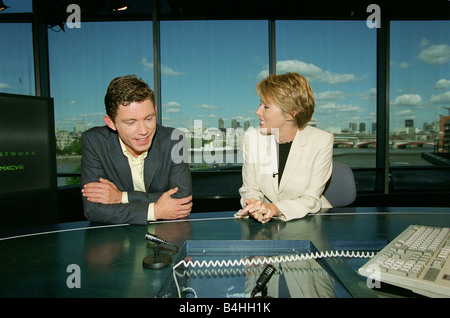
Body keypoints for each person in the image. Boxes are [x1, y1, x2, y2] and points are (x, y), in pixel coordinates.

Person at [81, 75, 192, 225]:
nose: (143, 131)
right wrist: (154, 211)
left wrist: (122, 197)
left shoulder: (174, 139)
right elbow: (93, 209)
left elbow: (182, 199)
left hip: (167, 234)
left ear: (155, 111)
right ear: (111, 123)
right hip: (116, 239)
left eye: (148, 118)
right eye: (131, 122)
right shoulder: (94, 141)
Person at [237, 72, 333, 223]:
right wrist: (255, 206)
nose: (258, 112)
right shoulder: (252, 139)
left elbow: (311, 199)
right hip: (264, 224)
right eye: (260, 104)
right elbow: (250, 189)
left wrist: (274, 208)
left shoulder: (322, 141)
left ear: (290, 114)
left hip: (310, 220)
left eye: (266, 107)